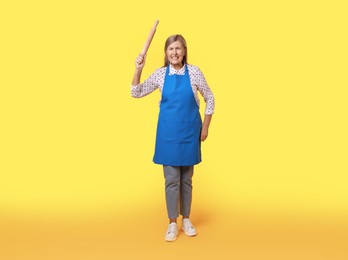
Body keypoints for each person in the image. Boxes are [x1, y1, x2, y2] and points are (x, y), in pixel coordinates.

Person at [131, 34, 215, 242]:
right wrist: (138, 69)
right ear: (166, 53)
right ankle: (171, 222)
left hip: (189, 132)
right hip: (168, 134)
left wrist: (205, 127)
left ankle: (186, 219)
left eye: (178, 48)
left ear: (184, 51)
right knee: (171, 181)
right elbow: (136, 92)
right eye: (171, 49)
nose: (174, 53)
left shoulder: (194, 73)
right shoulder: (160, 75)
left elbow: (210, 97)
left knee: (186, 180)